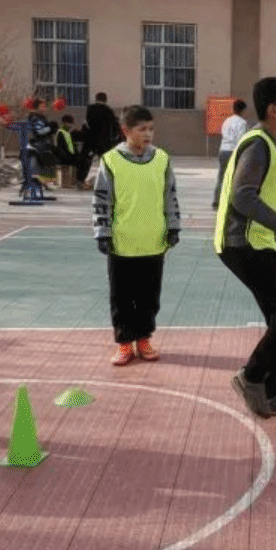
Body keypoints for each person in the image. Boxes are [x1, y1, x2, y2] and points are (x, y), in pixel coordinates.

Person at [215, 77, 276, 419]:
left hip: (255, 241)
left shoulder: (269, 143)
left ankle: (270, 392)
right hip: (242, 242)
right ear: (273, 109)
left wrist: (275, 235)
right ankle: (252, 377)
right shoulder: (258, 144)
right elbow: (242, 196)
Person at [93, 105, 181, 366]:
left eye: (151, 129)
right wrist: (102, 232)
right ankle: (124, 343)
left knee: (149, 297)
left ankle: (143, 338)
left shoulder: (162, 159)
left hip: (154, 242)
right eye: (142, 129)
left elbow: (170, 196)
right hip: (122, 243)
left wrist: (173, 226)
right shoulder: (111, 160)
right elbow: (101, 199)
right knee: (121, 298)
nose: (148, 134)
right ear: (125, 130)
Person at [212, 99, 249, 209]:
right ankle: (232, 201)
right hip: (233, 151)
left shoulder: (227, 121)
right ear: (243, 110)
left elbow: (223, 133)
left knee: (221, 176)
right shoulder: (242, 123)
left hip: (223, 150)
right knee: (235, 177)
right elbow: (241, 139)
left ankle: (216, 200)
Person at [85, 91, 118, 156]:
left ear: (96, 98)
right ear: (105, 99)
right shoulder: (108, 110)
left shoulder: (90, 108)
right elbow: (113, 125)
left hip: (92, 138)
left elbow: (87, 123)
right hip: (104, 140)